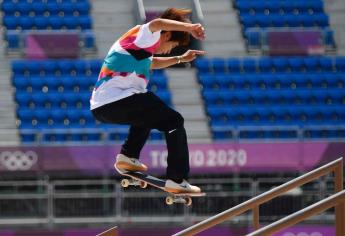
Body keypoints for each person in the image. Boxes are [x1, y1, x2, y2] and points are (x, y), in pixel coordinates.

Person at [91, 8, 205, 193]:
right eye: (172, 46)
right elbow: (158, 24)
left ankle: (128, 157)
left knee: (146, 113)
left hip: (104, 105)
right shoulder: (147, 34)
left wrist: (179, 59)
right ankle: (177, 179)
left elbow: (152, 63)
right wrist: (189, 27)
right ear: (166, 35)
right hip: (115, 100)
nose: (169, 50)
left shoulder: (140, 48)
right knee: (174, 121)